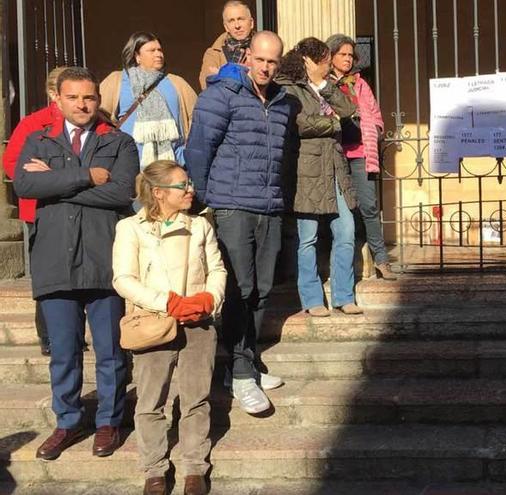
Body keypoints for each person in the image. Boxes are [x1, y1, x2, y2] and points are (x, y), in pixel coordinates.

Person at [13, 67, 139, 461]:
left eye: (89, 97)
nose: (82, 104)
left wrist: (59, 182)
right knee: (64, 353)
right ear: (58, 101)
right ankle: (66, 422)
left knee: (110, 352)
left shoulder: (119, 142)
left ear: (98, 100)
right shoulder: (38, 140)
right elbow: (25, 185)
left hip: (103, 260)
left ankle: (108, 421)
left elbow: (120, 193)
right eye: (73, 98)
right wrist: (86, 176)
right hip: (55, 261)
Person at [185, 31, 297, 415]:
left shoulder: (284, 102)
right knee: (240, 287)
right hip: (232, 205)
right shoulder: (221, 95)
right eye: (261, 59)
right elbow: (199, 147)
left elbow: (287, 158)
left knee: (263, 289)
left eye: (273, 62)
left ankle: (245, 362)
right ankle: (239, 371)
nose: (266, 68)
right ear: (248, 56)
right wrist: (201, 197)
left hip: (268, 205)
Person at [112, 160, 226, 495]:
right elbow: (123, 279)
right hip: (153, 324)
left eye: (188, 183)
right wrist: (167, 303)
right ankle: (154, 469)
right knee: (150, 401)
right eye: (182, 185)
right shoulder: (131, 228)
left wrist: (208, 299)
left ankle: (194, 468)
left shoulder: (201, 226)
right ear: (159, 193)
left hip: (198, 324)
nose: (190, 190)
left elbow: (217, 269)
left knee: (196, 398)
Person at [276, 37, 361, 317]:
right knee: (307, 238)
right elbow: (298, 123)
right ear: (308, 61)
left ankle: (343, 295)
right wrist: (332, 123)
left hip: (335, 167)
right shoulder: (288, 87)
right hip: (307, 171)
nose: (328, 66)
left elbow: (349, 110)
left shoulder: (327, 85)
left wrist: (325, 85)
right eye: (324, 61)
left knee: (346, 230)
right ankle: (312, 299)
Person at [2, 65, 67, 356]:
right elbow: (13, 165)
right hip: (41, 209)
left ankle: (73, 333)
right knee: (48, 275)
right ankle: (49, 336)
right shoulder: (33, 124)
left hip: (86, 211)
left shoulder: (96, 122)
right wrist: (53, 178)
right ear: (54, 93)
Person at [325, 33, 396, 280]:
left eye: (350, 55)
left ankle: (381, 259)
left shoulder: (360, 83)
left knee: (368, 205)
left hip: (360, 152)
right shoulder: (323, 83)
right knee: (339, 209)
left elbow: (375, 113)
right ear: (331, 56)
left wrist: (373, 130)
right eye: (342, 54)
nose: (347, 59)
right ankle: (343, 263)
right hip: (334, 154)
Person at [100, 32, 197, 168]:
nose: (158, 54)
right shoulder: (117, 80)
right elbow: (99, 116)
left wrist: (189, 149)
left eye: (160, 50)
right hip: (129, 165)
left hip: (173, 164)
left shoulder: (177, 83)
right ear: (137, 56)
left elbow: (197, 117)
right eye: (152, 50)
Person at [199, 0, 255, 90]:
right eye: (231, 21)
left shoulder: (264, 48)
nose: (237, 26)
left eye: (240, 19)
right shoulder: (213, 54)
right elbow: (208, 87)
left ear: (251, 23)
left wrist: (222, 75)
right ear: (226, 27)